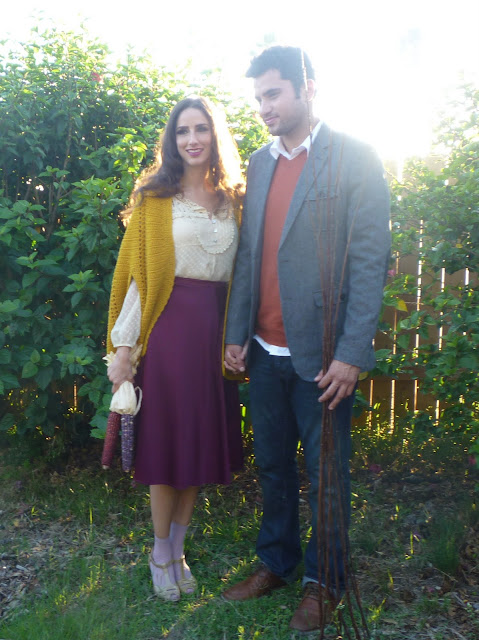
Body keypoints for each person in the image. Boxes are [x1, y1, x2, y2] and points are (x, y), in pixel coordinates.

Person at [223, 46, 391, 632]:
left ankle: (326, 581)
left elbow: (370, 261)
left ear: (308, 89)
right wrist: (237, 331)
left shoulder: (354, 157)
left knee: (326, 477)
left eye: (273, 94)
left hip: (321, 356)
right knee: (272, 466)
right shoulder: (260, 162)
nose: (264, 107)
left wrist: (351, 354)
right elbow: (250, 253)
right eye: (258, 98)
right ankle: (277, 562)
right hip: (264, 351)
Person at [106, 96, 245, 602]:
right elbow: (137, 280)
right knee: (167, 449)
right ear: (172, 140)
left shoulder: (236, 199)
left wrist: (239, 336)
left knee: (199, 446)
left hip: (215, 337)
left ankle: (180, 551)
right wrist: (124, 348)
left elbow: (246, 277)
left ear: (215, 135)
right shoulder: (155, 199)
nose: (192, 139)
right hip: (168, 336)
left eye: (201, 129)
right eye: (182, 130)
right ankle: (159, 551)